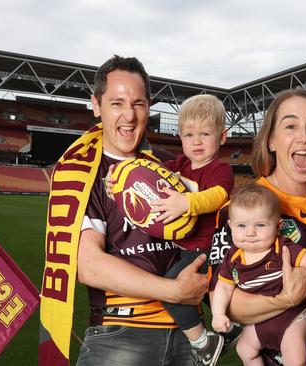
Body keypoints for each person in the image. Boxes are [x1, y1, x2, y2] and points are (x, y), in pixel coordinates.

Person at [207, 88, 306, 365]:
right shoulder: (241, 212)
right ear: (271, 140)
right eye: (290, 125)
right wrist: (289, 299)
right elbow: (230, 303)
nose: (303, 137)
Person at [75, 55, 208, 366]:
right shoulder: (81, 174)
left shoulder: (172, 165)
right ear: (96, 105)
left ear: (150, 106)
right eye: (117, 103)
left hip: (189, 335)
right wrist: (175, 291)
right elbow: (90, 266)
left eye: (138, 104)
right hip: (121, 334)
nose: (129, 116)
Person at [150, 94, 236, 365]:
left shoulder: (220, 169)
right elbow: (153, 173)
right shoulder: (180, 165)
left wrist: (185, 202)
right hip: (185, 247)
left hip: (207, 249)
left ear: (222, 137)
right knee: (217, 299)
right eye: (188, 134)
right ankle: (236, 330)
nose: (196, 141)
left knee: (173, 291)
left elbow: (217, 197)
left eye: (204, 133)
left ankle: (203, 342)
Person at [211, 184, 306, 366]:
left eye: (260, 225)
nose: (250, 233)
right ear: (230, 226)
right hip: (259, 320)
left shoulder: (282, 248)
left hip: (291, 319)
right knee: (244, 350)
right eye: (241, 225)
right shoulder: (232, 256)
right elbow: (223, 286)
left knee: (296, 360)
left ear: (278, 226)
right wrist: (218, 314)